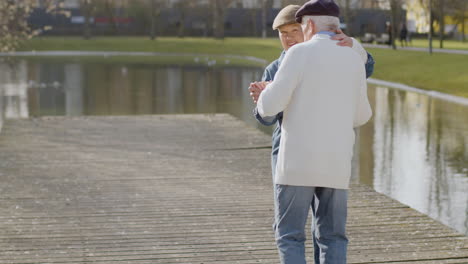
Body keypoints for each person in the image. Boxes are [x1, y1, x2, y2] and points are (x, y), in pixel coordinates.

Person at [254, 0, 373, 263]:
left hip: (297, 164)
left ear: (308, 24)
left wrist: (264, 96)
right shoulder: (353, 59)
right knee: (333, 237)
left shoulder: (299, 54)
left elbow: (270, 107)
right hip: (336, 164)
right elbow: (363, 115)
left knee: (290, 235)